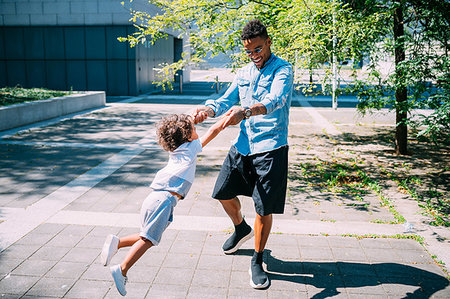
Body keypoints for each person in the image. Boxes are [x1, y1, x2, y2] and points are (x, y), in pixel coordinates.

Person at [192, 19, 293, 289]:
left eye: (258, 49)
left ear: (268, 41)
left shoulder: (283, 69)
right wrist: (207, 110)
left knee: (263, 207)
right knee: (223, 191)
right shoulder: (245, 72)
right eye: (249, 51)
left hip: (271, 147)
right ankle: (241, 228)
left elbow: (276, 100)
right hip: (244, 145)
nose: (254, 56)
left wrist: (246, 112)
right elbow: (225, 99)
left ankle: (257, 260)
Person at [100, 114, 226, 296]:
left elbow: (181, 125)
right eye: (194, 129)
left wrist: (193, 117)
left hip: (156, 198)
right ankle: (122, 269)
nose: (197, 130)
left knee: (147, 235)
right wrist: (227, 118)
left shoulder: (175, 148)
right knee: (148, 239)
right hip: (164, 200)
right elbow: (214, 131)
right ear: (188, 136)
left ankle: (117, 242)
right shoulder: (191, 149)